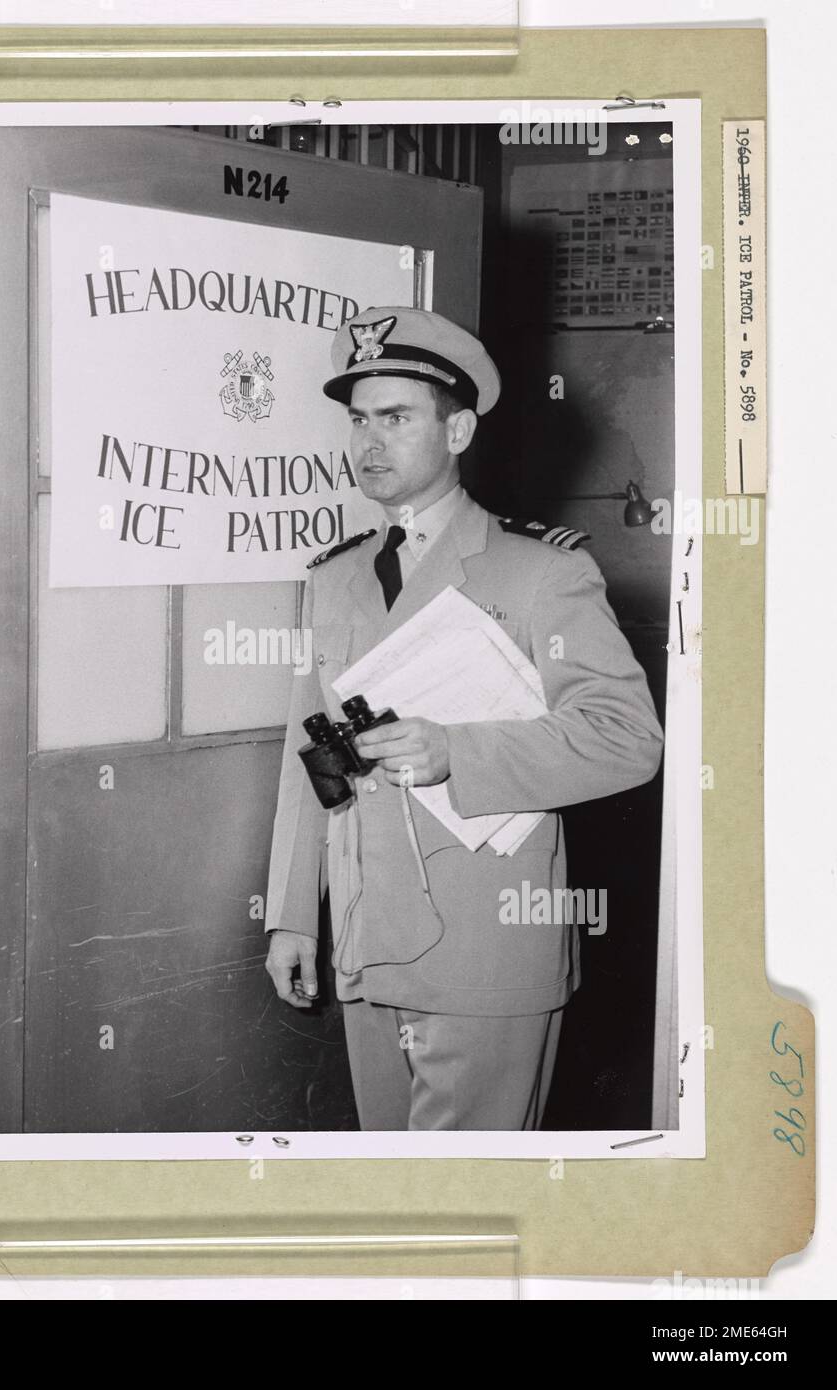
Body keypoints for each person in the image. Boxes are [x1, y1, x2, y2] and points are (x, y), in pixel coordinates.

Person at [263, 305, 664, 1131]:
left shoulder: (539, 572)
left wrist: (458, 752)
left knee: (469, 1206)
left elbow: (628, 739)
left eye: (398, 418)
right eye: (359, 420)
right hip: (370, 946)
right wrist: (294, 915)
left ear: (458, 431)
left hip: (485, 953)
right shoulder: (333, 579)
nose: (369, 443)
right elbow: (309, 757)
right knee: (397, 1203)